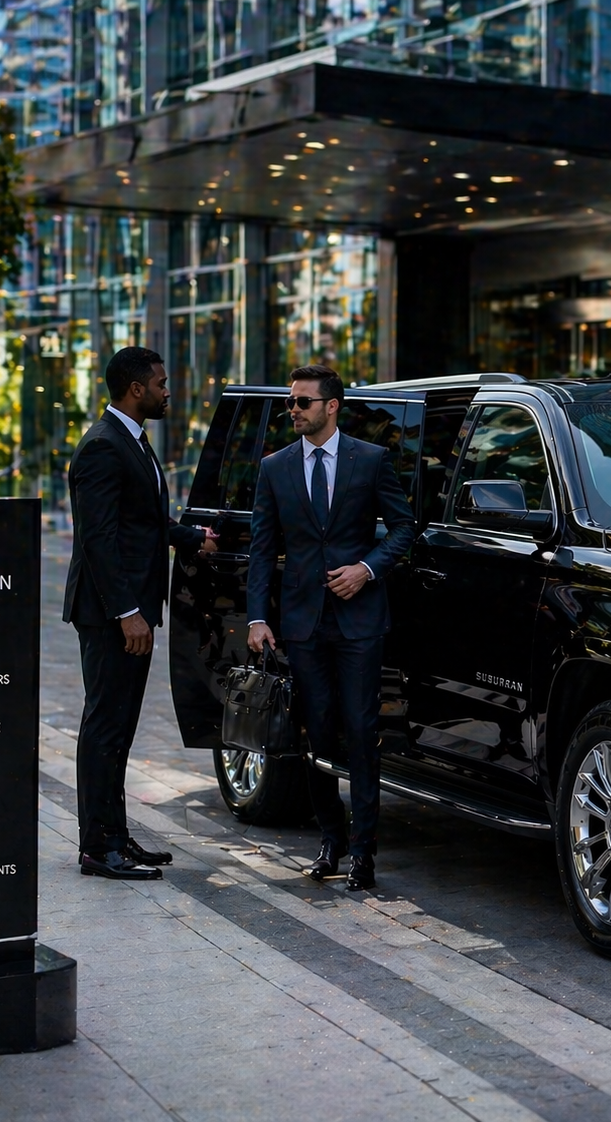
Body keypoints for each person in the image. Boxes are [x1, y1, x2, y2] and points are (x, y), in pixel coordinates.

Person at [247, 365, 416, 891]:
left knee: (362, 733)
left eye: (303, 402)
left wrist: (367, 568)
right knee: (316, 733)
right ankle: (330, 841)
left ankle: (363, 852)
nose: (293, 410)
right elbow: (261, 547)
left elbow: (405, 528)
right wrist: (257, 617)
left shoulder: (372, 459)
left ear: (332, 405)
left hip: (359, 621)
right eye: (290, 402)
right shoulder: (275, 467)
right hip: (302, 623)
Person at [64, 346, 218, 880]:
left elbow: (143, 522)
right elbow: (98, 539)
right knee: (105, 727)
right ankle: (96, 847)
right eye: (160, 383)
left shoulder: (132, 440)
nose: (167, 391)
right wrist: (127, 612)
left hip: (130, 610)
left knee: (121, 728)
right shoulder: (102, 446)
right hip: (111, 614)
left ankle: (115, 835)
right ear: (136, 389)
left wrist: (192, 537)